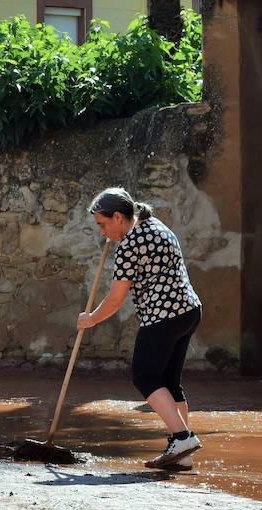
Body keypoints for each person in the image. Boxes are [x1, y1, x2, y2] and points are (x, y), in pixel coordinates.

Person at [77, 187, 203, 470]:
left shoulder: (130, 246)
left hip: (164, 316)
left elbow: (115, 300)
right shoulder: (154, 224)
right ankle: (182, 454)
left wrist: (91, 319)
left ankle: (182, 437)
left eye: (103, 224)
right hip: (189, 311)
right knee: (169, 383)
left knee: (145, 376)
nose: (102, 233)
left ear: (119, 217)